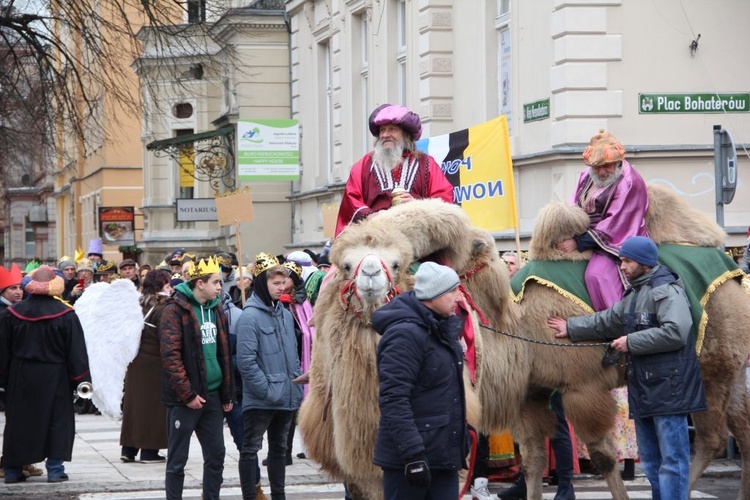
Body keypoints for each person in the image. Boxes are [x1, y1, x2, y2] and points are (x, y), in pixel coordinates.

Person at [548, 236, 707, 500]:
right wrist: (571, 327)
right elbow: (608, 320)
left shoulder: (666, 290)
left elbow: (676, 332)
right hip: (645, 388)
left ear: (644, 263)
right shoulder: (635, 292)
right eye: (621, 259)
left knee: (672, 461)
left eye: (627, 260)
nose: (621, 266)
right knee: (653, 462)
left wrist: (630, 341)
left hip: (670, 390)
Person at [371, 262, 469, 499]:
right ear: (434, 294)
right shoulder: (405, 335)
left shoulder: (440, 329)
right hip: (411, 461)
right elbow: (394, 399)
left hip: (442, 456)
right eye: (453, 291)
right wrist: (413, 455)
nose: (459, 297)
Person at [0, 266, 91, 483]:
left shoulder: (12, 314)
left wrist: (3, 378)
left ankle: (12, 471)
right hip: (55, 376)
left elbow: (3, 351)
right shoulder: (67, 315)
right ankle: (55, 469)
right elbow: (76, 352)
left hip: (21, 376)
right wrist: (81, 380)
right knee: (56, 422)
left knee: (19, 422)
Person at [159, 256, 234, 500]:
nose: (220, 287)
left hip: (212, 397)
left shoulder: (217, 308)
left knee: (216, 456)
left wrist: (227, 393)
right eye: (215, 282)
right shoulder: (175, 310)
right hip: (186, 399)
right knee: (177, 460)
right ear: (199, 283)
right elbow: (171, 357)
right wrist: (188, 394)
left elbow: (224, 354)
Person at [555, 130, 649, 312]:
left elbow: (616, 223)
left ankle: (616, 324)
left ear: (617, 162)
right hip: (585, 233)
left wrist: (578, 242)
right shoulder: (586, 175)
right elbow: (574, 203)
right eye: (596, 167)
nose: (601, 171)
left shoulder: (630, 182)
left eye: (607, 166)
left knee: (597, 275)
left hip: (617, 238)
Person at [236, 253, 303, 500]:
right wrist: (266, 389)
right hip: (263, 398)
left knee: (279, 450)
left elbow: (292, 354)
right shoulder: (250, 316)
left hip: (286, 394)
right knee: (251, 449)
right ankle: (249, 496)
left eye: (283, 283)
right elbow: (246, 361)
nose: (282, 288)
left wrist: (295, 380)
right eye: (276, 283)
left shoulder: (285, 313)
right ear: (263, 283)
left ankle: (279, 496)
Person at [335, 104, 454, 236]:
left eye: (392, 129)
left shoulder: (426, 163)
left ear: (406, 135)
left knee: (431, 258)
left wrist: (418, 206)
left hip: (419, 239)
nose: (385, 135)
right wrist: (370, 216)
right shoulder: (363, 165)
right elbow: (351, 199)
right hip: (374, 237)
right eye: (382, 130)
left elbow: (444, 200)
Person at [120, 269, 172, 463]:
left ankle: (129, 449)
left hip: (134, 361)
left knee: (134, 406)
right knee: (153, 407)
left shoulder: (136, 303)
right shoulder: (163, 307)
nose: (170, 289)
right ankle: (149, 450)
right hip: (154, 363)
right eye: (167, 285)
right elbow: (166, 338)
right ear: (159, 287)